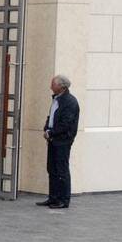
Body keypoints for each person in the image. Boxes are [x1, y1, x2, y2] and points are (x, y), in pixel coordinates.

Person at [38, 74, 80, 209]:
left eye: (53, 84)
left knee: (62, 170)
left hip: (62, 140)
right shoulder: (56, 99)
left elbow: (66, 123)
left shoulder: (70, 102)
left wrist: (51, 132)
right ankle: (53, 197)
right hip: (53, 139)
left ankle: (63, 199)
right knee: (52, 169)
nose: (51, 86)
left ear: (61, 87)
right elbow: (51, 117)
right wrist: (46, 128)